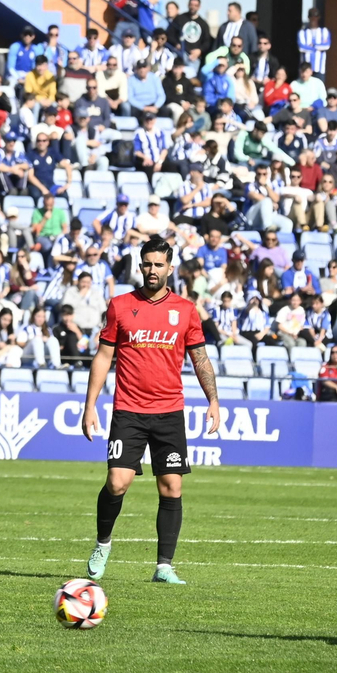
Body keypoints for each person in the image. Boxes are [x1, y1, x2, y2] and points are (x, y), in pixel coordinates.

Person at [81, 236, 220, 586]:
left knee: (172, 487)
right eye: (147, 264)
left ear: (170, 268)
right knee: (117, 482)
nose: (153, 270)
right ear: (140, 266)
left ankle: (164, 566)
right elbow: (103, 357)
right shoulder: (120, 305)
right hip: (128, 409)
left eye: (159, 265)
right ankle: (102, 544)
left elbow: (200, 358)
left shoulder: (186, 311)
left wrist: (213, 401)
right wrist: (90, 405)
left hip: (169, 411)